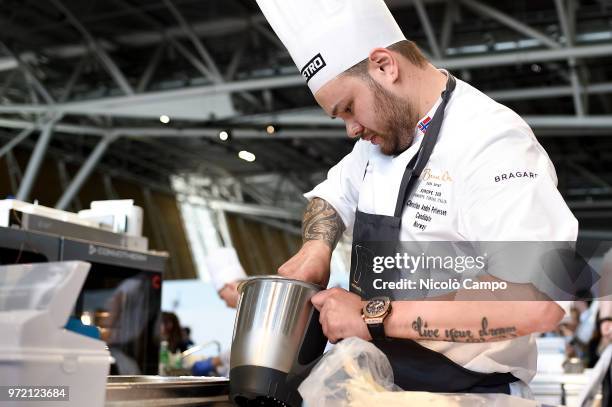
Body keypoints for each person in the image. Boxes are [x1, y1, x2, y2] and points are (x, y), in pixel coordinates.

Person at [255, 0, 578, 398]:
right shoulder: (383, 138)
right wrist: (315, 248)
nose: (351, 130)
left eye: (350, 109)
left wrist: (375, 317)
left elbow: (535, 300)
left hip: (468, 396)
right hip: (381, 390)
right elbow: (331, 196)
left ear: (384, 65)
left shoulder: (492, 142)